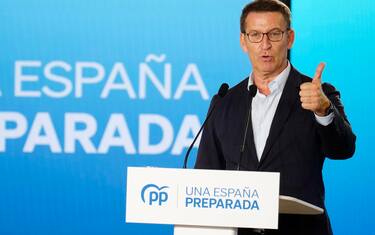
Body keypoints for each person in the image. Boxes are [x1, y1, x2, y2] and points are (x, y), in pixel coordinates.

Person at [194, 0, 356, 234]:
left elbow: (343, 149)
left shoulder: (319, 94)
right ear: (243, 41)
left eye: (275, 34)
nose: (265, 45)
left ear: (290, 38)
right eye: (255, 35)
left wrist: (324, 111)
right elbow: (206, 178)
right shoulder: (223, 103)